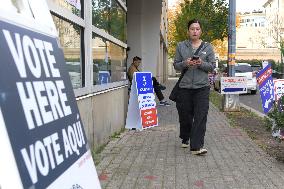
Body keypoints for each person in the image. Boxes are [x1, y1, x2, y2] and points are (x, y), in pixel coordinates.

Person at [173, 19, 215, 155]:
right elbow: (176, 65)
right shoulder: (181, 46)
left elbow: (212, 66)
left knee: (201, 116)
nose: (195, 31)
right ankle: (185, 136)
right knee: (185, 116)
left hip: (202, 87)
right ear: (188, 31)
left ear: (201, 31)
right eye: (192, 29)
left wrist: (201, 63)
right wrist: (185, 63)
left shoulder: (208, 47)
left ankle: (196, 146)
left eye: (197, 29)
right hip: (184, 87)